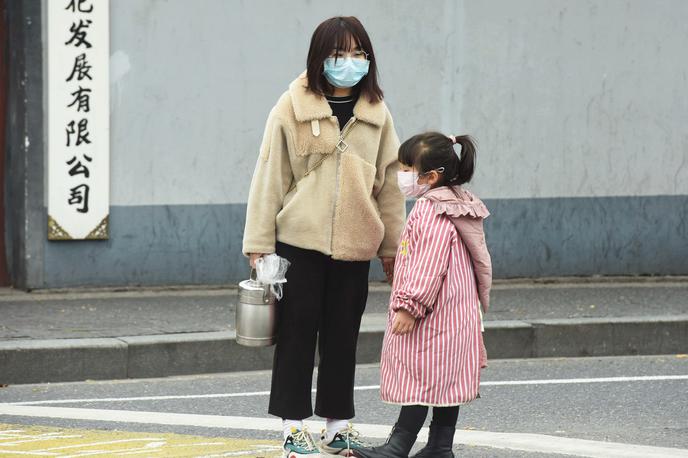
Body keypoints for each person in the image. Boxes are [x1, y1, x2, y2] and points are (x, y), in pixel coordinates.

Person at [242, 16, 406, 458]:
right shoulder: (291, 107)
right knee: (296, 333)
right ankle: (293, 428)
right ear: (320, 57)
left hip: (356, 244)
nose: (349, 63)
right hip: (298, 243)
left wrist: (394, 248)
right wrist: (259, 242)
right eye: (339, 54)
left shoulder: (377, 113)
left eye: (358, 53)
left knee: (342, 337)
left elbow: (390, 186)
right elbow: (268, 175)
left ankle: (338, 426)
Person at [354, 132, 492, 458]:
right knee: (447, 380)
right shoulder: (459, 203)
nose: (402, 175)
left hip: (432, 314)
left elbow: (428, 265)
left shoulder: (429, 209)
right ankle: (440, 447)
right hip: (457, 313)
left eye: (407, 168)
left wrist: (409, 306)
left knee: (419, 374)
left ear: (430, 177)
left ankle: (398, 445)